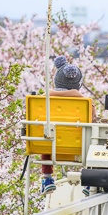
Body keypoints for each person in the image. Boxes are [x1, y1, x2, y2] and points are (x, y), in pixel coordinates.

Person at [40, 55, 88, 195]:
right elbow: (92, 120)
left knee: (46, 136)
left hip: (51, 144)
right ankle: (89, 180)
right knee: (93, 138)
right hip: (77, 144)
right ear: (78, 83)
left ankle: (47, 178)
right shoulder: (85, 102)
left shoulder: (44, 99)